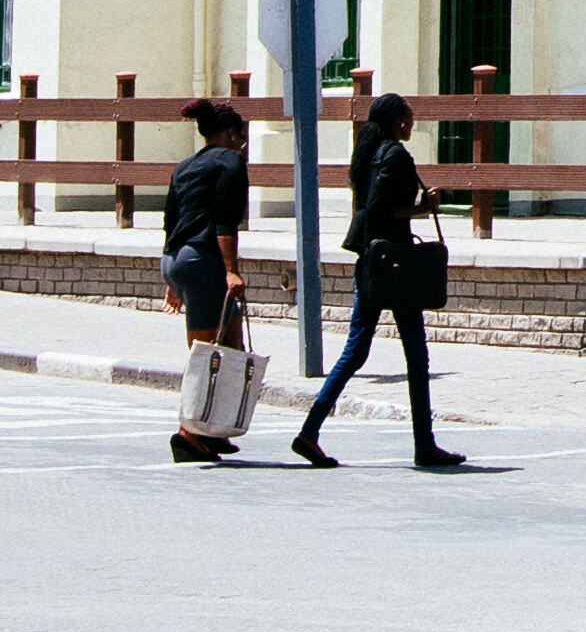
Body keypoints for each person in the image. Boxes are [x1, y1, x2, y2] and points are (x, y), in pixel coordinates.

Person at [291, 88, 478, 473]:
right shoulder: (394, 154)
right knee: (415, 355)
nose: (411, 124)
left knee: (356, 351)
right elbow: (379, 210)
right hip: (395, 267)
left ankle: (311, 430)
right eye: (408, 119)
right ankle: (424, 445)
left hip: (372, 262)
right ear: (398, 121)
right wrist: (422, 208)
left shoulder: (369, 154)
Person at [162, 98, 254, 464]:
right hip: (204, 262)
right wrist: (231, 269)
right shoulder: (232, 161)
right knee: (205, 355)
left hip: (176, 258)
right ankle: (187, 435)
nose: (242, 142)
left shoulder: (185, 166)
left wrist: (173, 279)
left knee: (231, 345)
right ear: (230, 133)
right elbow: (224, 221)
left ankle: (213, 429)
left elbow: (172, 220)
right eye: (241, 135)